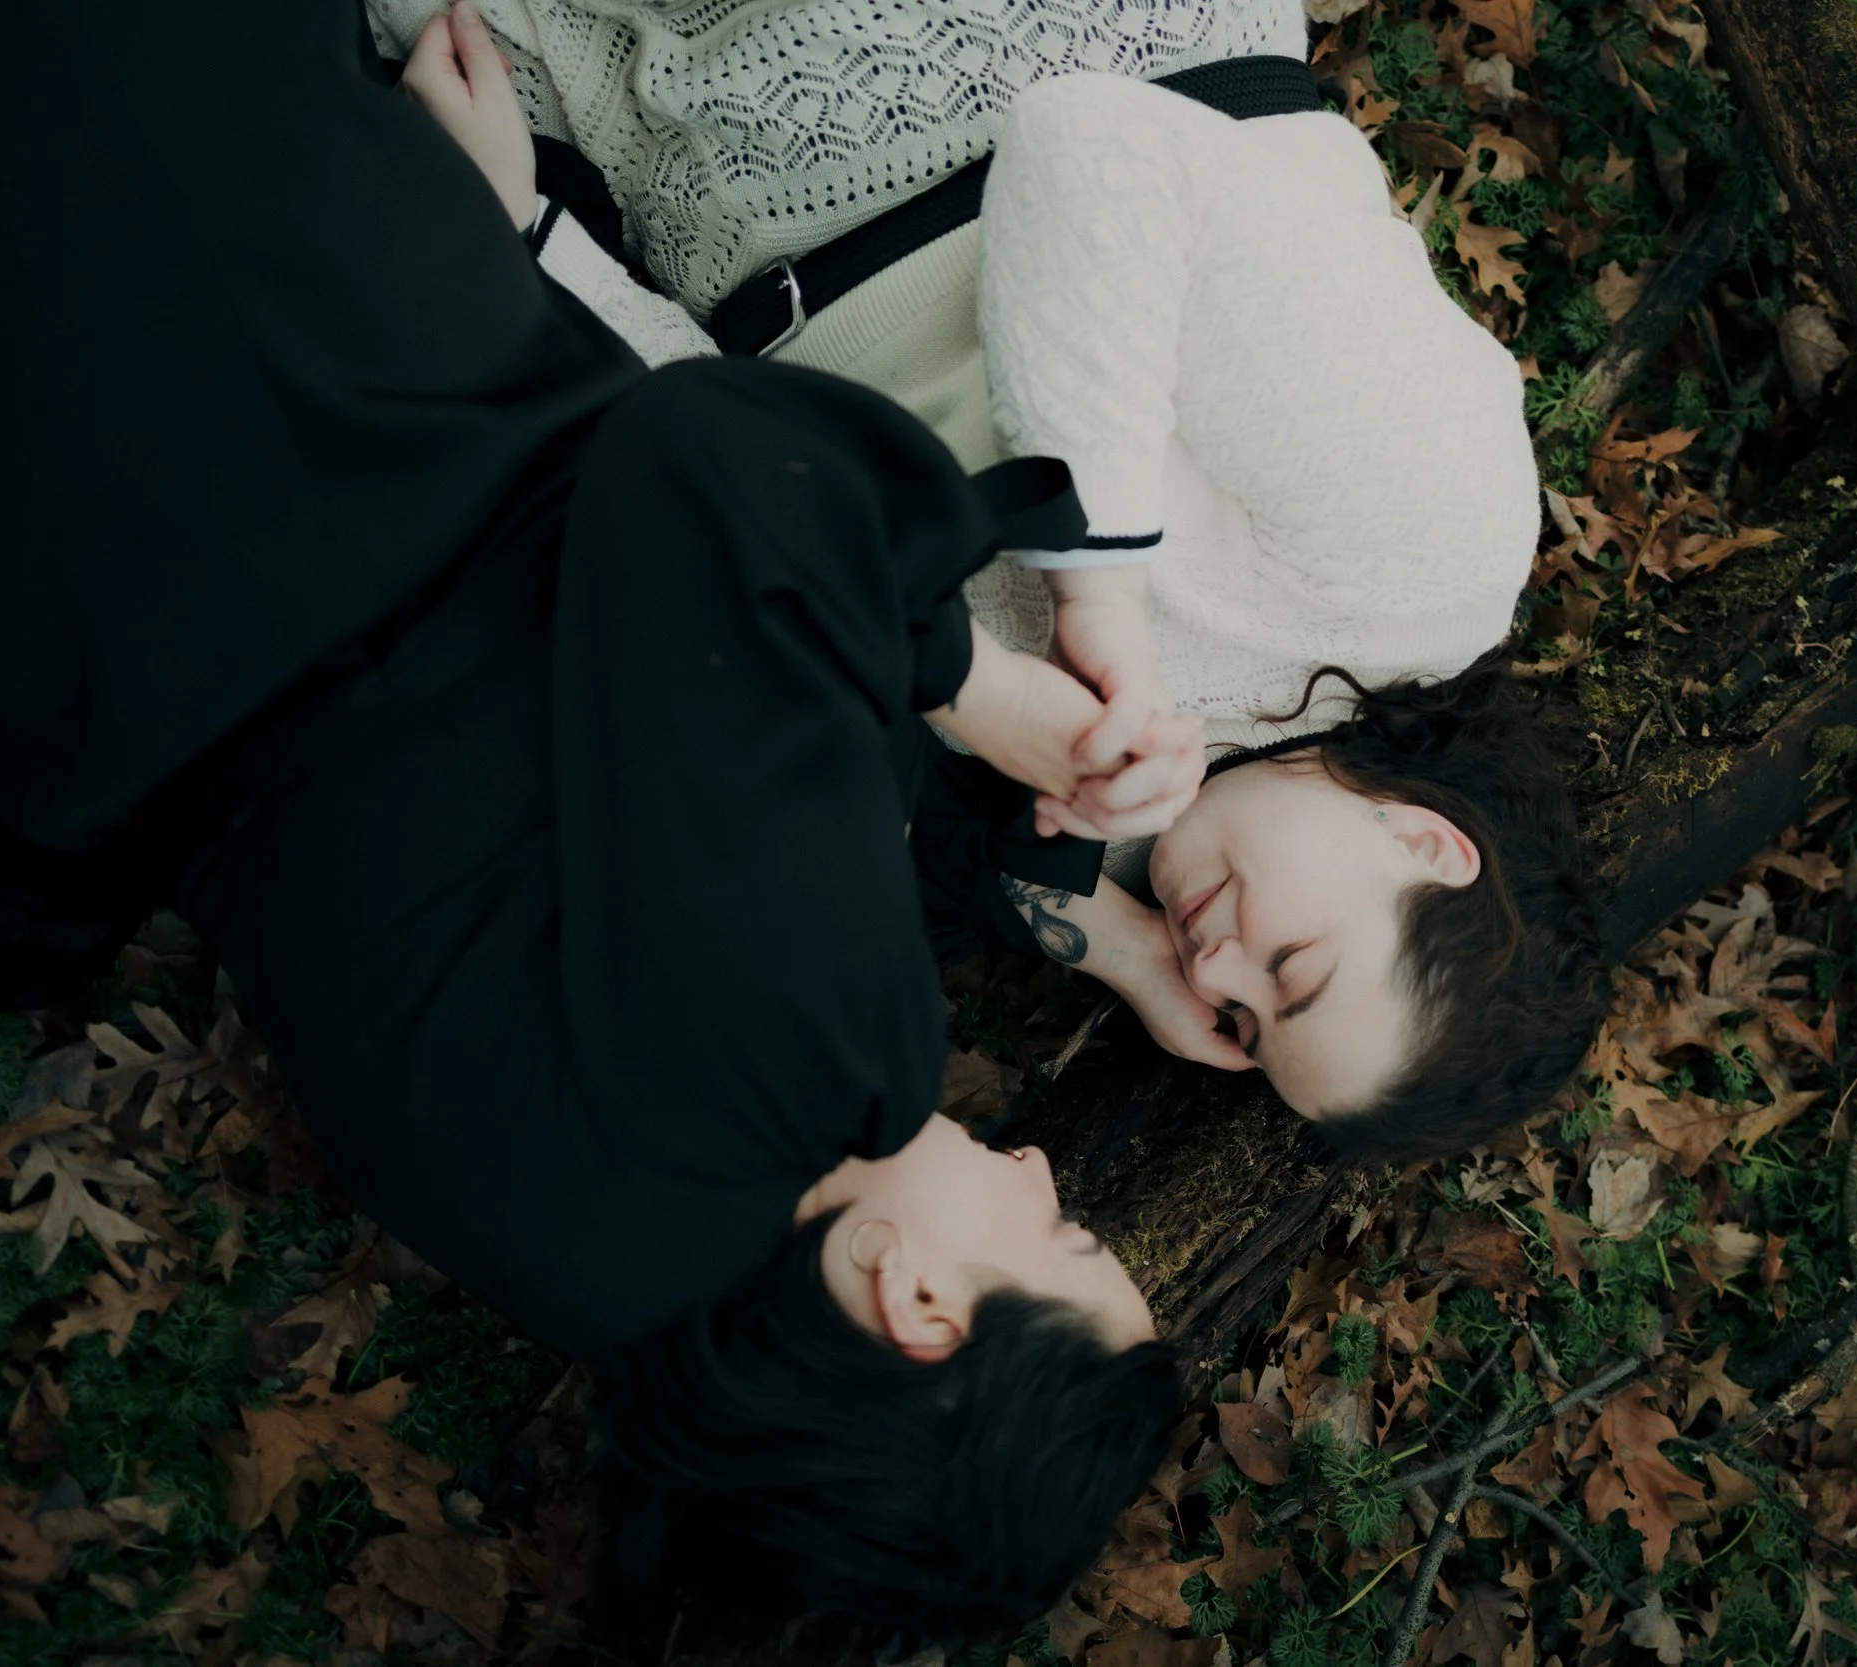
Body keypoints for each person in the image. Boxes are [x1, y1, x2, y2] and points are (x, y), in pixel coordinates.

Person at [0, 0, 1180, 1647]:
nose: (1043, 1166)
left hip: (263, 349)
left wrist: (967, 676)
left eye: (1065, 1230)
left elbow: (721, 475)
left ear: (916, 1309)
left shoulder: (827, 1072)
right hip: (65, 585)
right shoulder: (578, 1265)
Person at [386, 0, 1614, 1157]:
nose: (1215, 973)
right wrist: (1099, 589)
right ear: (1423, 838)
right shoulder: (1428, 554)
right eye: (1291, 967)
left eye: (1240, 1025)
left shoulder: (1113, 828)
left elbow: (756, 485)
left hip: (653, 154)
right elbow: (1093, 150)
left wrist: (530, 228)